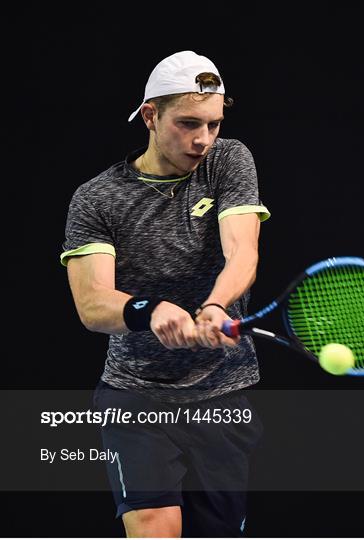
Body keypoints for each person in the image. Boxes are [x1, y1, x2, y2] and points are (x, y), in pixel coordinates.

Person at [60, 50, 270, 537]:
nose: (203, 139)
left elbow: (242, 250)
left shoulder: (229, 161)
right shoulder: (97, 198)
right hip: (135, 396)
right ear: (151, 115)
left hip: (224, 392)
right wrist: (148, 311)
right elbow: (92, 304)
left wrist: (215, 304)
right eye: (188, 123)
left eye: (214, 124)